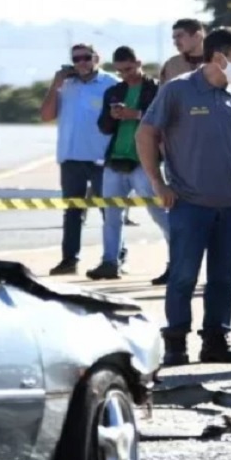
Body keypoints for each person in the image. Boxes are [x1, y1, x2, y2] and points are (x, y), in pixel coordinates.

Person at [137, 26, 231, 367]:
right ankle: (176, 343)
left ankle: (216, 340)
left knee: (225, 278)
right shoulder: (178, 91)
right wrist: (158, 182)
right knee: (183, 276)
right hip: (189, 204)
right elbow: (146, 132)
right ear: (218, 57)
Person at [89, 46, 170, 284]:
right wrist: (112, 116)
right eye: (121, 70)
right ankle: (110, 261)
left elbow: (165, 120)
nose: (126, 74)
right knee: (111, 215)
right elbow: (103, 126)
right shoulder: (114, 91)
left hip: (145, 161)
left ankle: (178, 260)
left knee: (159, 213)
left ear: (139, 63)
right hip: (116, 159)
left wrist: (135, 115)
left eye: (129, 68)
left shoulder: (157, 89)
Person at [40, 44, 121, 275]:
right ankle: (69, 260)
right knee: (73, 211)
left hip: (101, 157)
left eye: (86, 58)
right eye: (77, 59)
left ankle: (114, 258)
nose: (82, 62)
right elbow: (46, 115)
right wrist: (55, 84)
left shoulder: (112, 83)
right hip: (71, 157)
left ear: (97, 58)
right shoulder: (66, 85)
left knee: (109, 212)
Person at [160, 18, 205, 83]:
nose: (175, 43)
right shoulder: (171, 65)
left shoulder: (218, 63)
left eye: (180, 36)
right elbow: (163, 92)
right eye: (174, 38)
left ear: (197, 36)